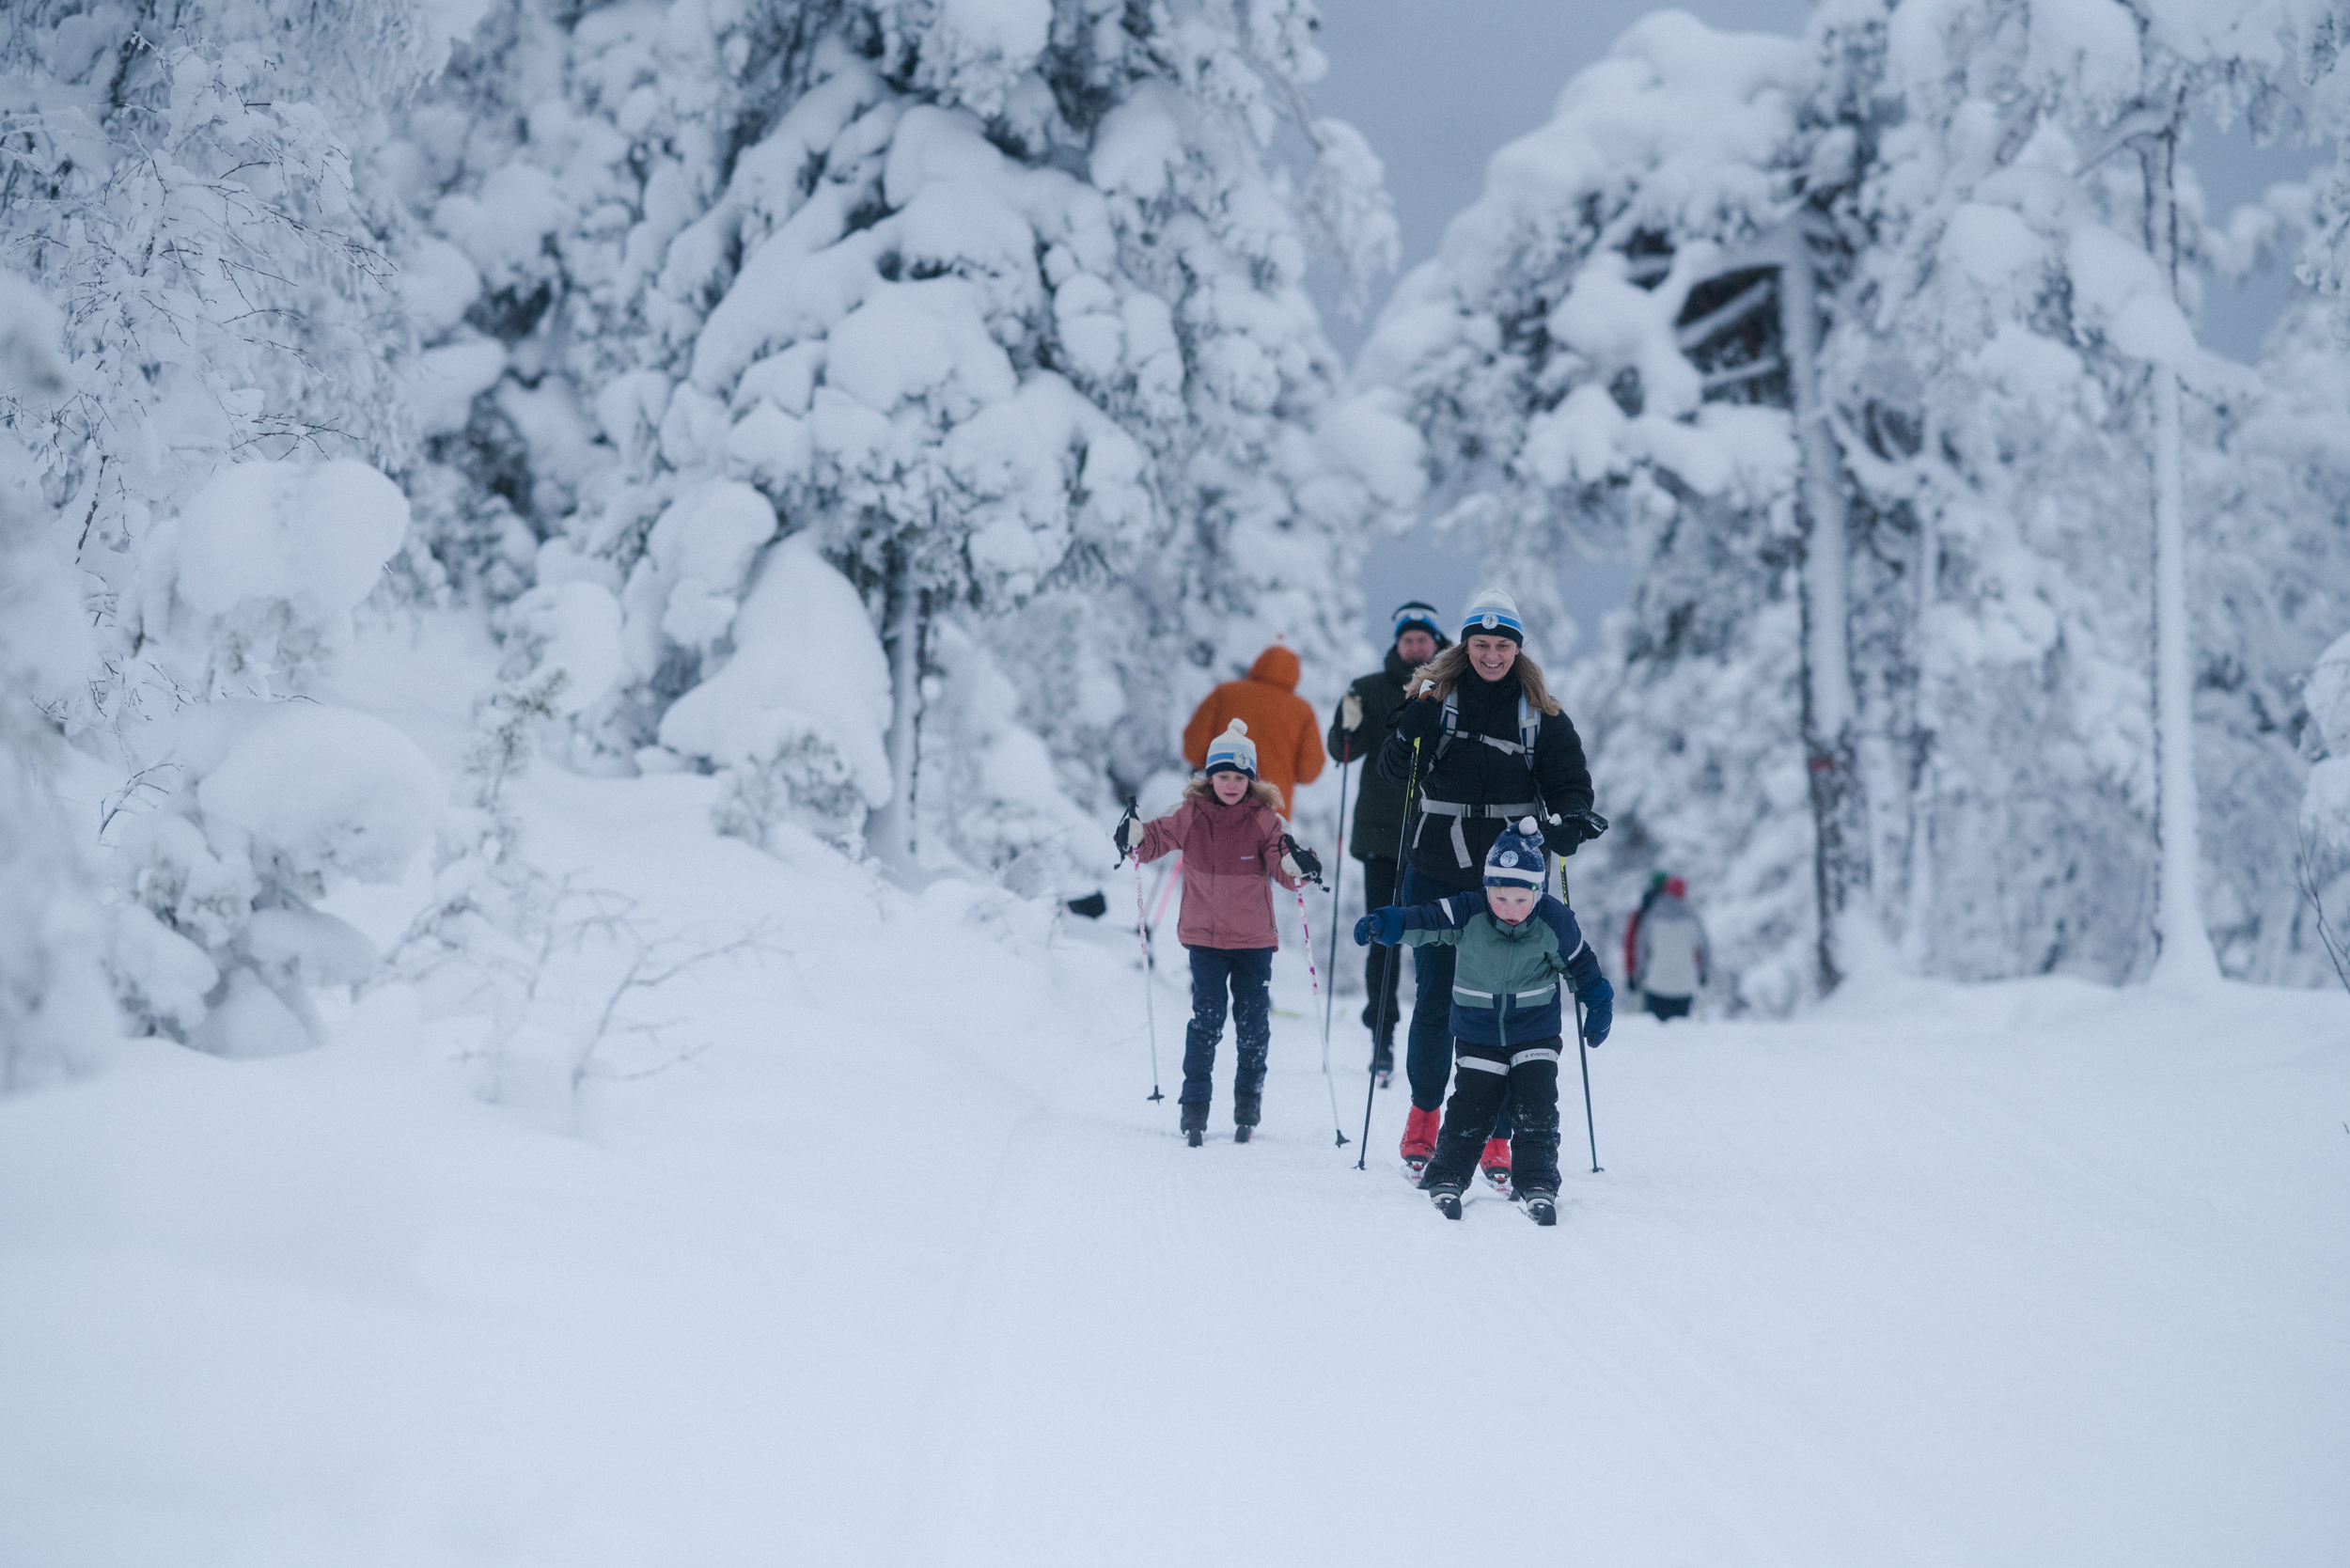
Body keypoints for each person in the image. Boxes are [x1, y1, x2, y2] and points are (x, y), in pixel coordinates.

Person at [1377, 588, 1606, 1185]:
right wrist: (1408, 736)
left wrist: (1573, 822)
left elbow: (1570, 783)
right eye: (1481, 644)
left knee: (1512, 1009)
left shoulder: (1541, 714)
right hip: (1437, 867)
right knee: (1433, 1001)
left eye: (1503, 645)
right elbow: (1391, 773)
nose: (1492, 655)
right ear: (1465, 645)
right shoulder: (1434, 698)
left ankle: (1498, 1139)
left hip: (1512, 883)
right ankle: (1423, 1123)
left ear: (1518, 649)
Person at [1355, 817, 1612, 1225]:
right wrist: (1388, 923)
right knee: (1470, 1109)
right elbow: (1426, 920)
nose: (1511, 909)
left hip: (1536, 1032)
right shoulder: (1469, 911)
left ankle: (1538, 1183)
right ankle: (1447, 1179)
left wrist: (1598, 1002)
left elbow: (1581, 965)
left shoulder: (1554, 921)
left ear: (1538, 892)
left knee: (1537, 1110)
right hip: (1478, 1034)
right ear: (1487, 888)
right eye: (1501, 898)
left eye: (1521, 900)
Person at [1117, 720, 1321, 1146]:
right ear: (1210, 778)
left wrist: (1297, 865)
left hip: (1253, 944)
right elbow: (1155, 838)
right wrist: (1136, 835)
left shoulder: (1265, 821)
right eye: (1223, 776)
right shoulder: (1192, 816)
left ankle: (1248, 1101)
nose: (1231, 784)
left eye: (1239, 776)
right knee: (1206, 1022)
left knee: (1252, 1025)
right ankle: (1194, 1107)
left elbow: (1283, 861)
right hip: (1206, 941)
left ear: (1251, 779)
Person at [1326, 602, 1449, 1083]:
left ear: (1436, 644)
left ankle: (1436, 1031)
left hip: (1438, 831)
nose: (1416, 647)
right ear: (1397, 644)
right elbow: (1341, 751)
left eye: (1423, 640)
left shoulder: (1452, 690)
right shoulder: (1369, 689)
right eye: (1408, 640)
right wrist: (1347, 723)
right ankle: (1382, 1034)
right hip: (1381, 833)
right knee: (1386, 935)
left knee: (1436, 934)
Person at [1183, 644, 1324, 819]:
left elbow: (1193, 748)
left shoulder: (1224, 693)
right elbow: (1309, 771)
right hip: (1270, 814)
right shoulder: (1303, 712)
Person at [1633, 875, 1710, 1021]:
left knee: (1654, 1032)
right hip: (1685, 985)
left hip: (1656, 983)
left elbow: (1641, 948)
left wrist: (1640, 972)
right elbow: (1705, 949)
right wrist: (1703, 973)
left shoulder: (1652, 915)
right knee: (1679, 1031)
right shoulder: (1693, 917)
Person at [1622, 870, 1668, 1001]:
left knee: (1649, 1017)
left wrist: (1631, 973)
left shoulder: (1641, 913)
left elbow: (1630, 943)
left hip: (1646, 972)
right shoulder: (1680, 911)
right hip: (1676, 975)